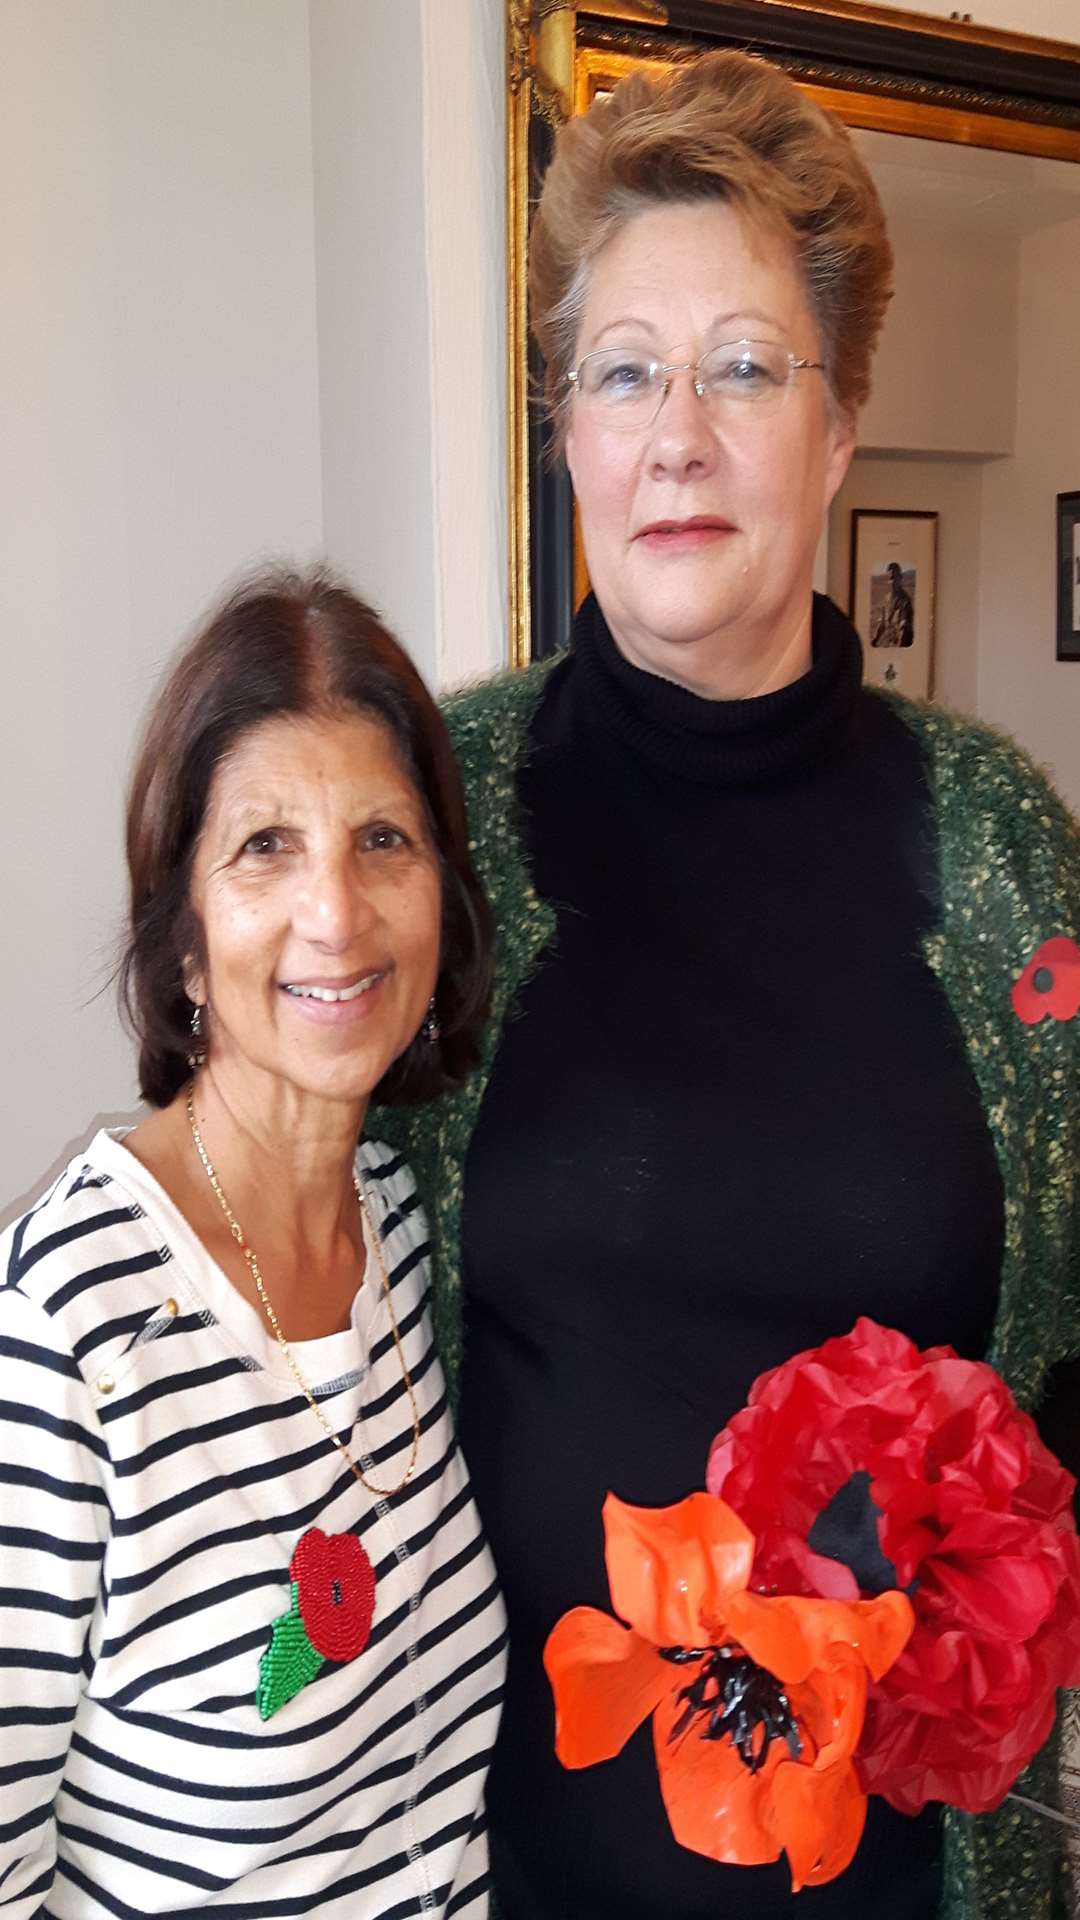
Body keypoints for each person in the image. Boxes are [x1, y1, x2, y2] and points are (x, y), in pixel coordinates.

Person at [370, 49, 1080, 1920]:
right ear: (569, 433)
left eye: (747, 368)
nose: (678, 433)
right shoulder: (428, 824)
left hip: (914, 1883)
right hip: (508, 1870)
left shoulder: (999, 844)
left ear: (839, 427)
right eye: (625, 371)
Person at [0, 569, 505, 1918]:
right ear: (180, 936)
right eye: (265, 847)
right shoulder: (69, 1325)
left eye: (383, 841)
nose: (334, 914)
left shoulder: (406, 1231)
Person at [871, 561, 915, 648]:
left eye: (895, 577)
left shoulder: (905, 601)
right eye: (891, 578)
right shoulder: (886, 599)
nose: (893, 581)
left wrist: (897, 649)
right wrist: (875, 641)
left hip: (902, 644)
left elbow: (903, 628)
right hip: (890, 643)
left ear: (900, 578)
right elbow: (882, 624)